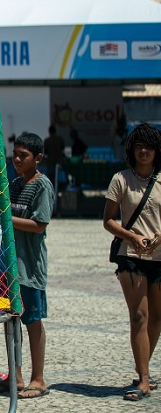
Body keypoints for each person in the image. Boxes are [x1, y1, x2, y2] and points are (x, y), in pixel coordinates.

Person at [0, 131, 54, 399]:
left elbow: (39, 225)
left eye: (23, 155)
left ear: (37, 158)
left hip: (29, 267)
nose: (16, 159)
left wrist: (3, 218)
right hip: (8, 266)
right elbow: (6, 215)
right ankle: (16, 374)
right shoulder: (14, 184)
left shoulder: (42, 185)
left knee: (32, 321)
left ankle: (39, 378)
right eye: (14, 154)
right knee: (9, 319)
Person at [102, 123, 161, 401]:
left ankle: (143, 370)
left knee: (157, 318)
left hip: (160, 257)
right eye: (139, 145)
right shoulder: (120, 179)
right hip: (131, 256)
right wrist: (132, 236)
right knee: (139, 316)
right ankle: (144, 381)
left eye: (149, 145)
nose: (144, 150)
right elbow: (108, 221)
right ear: (132, 149)